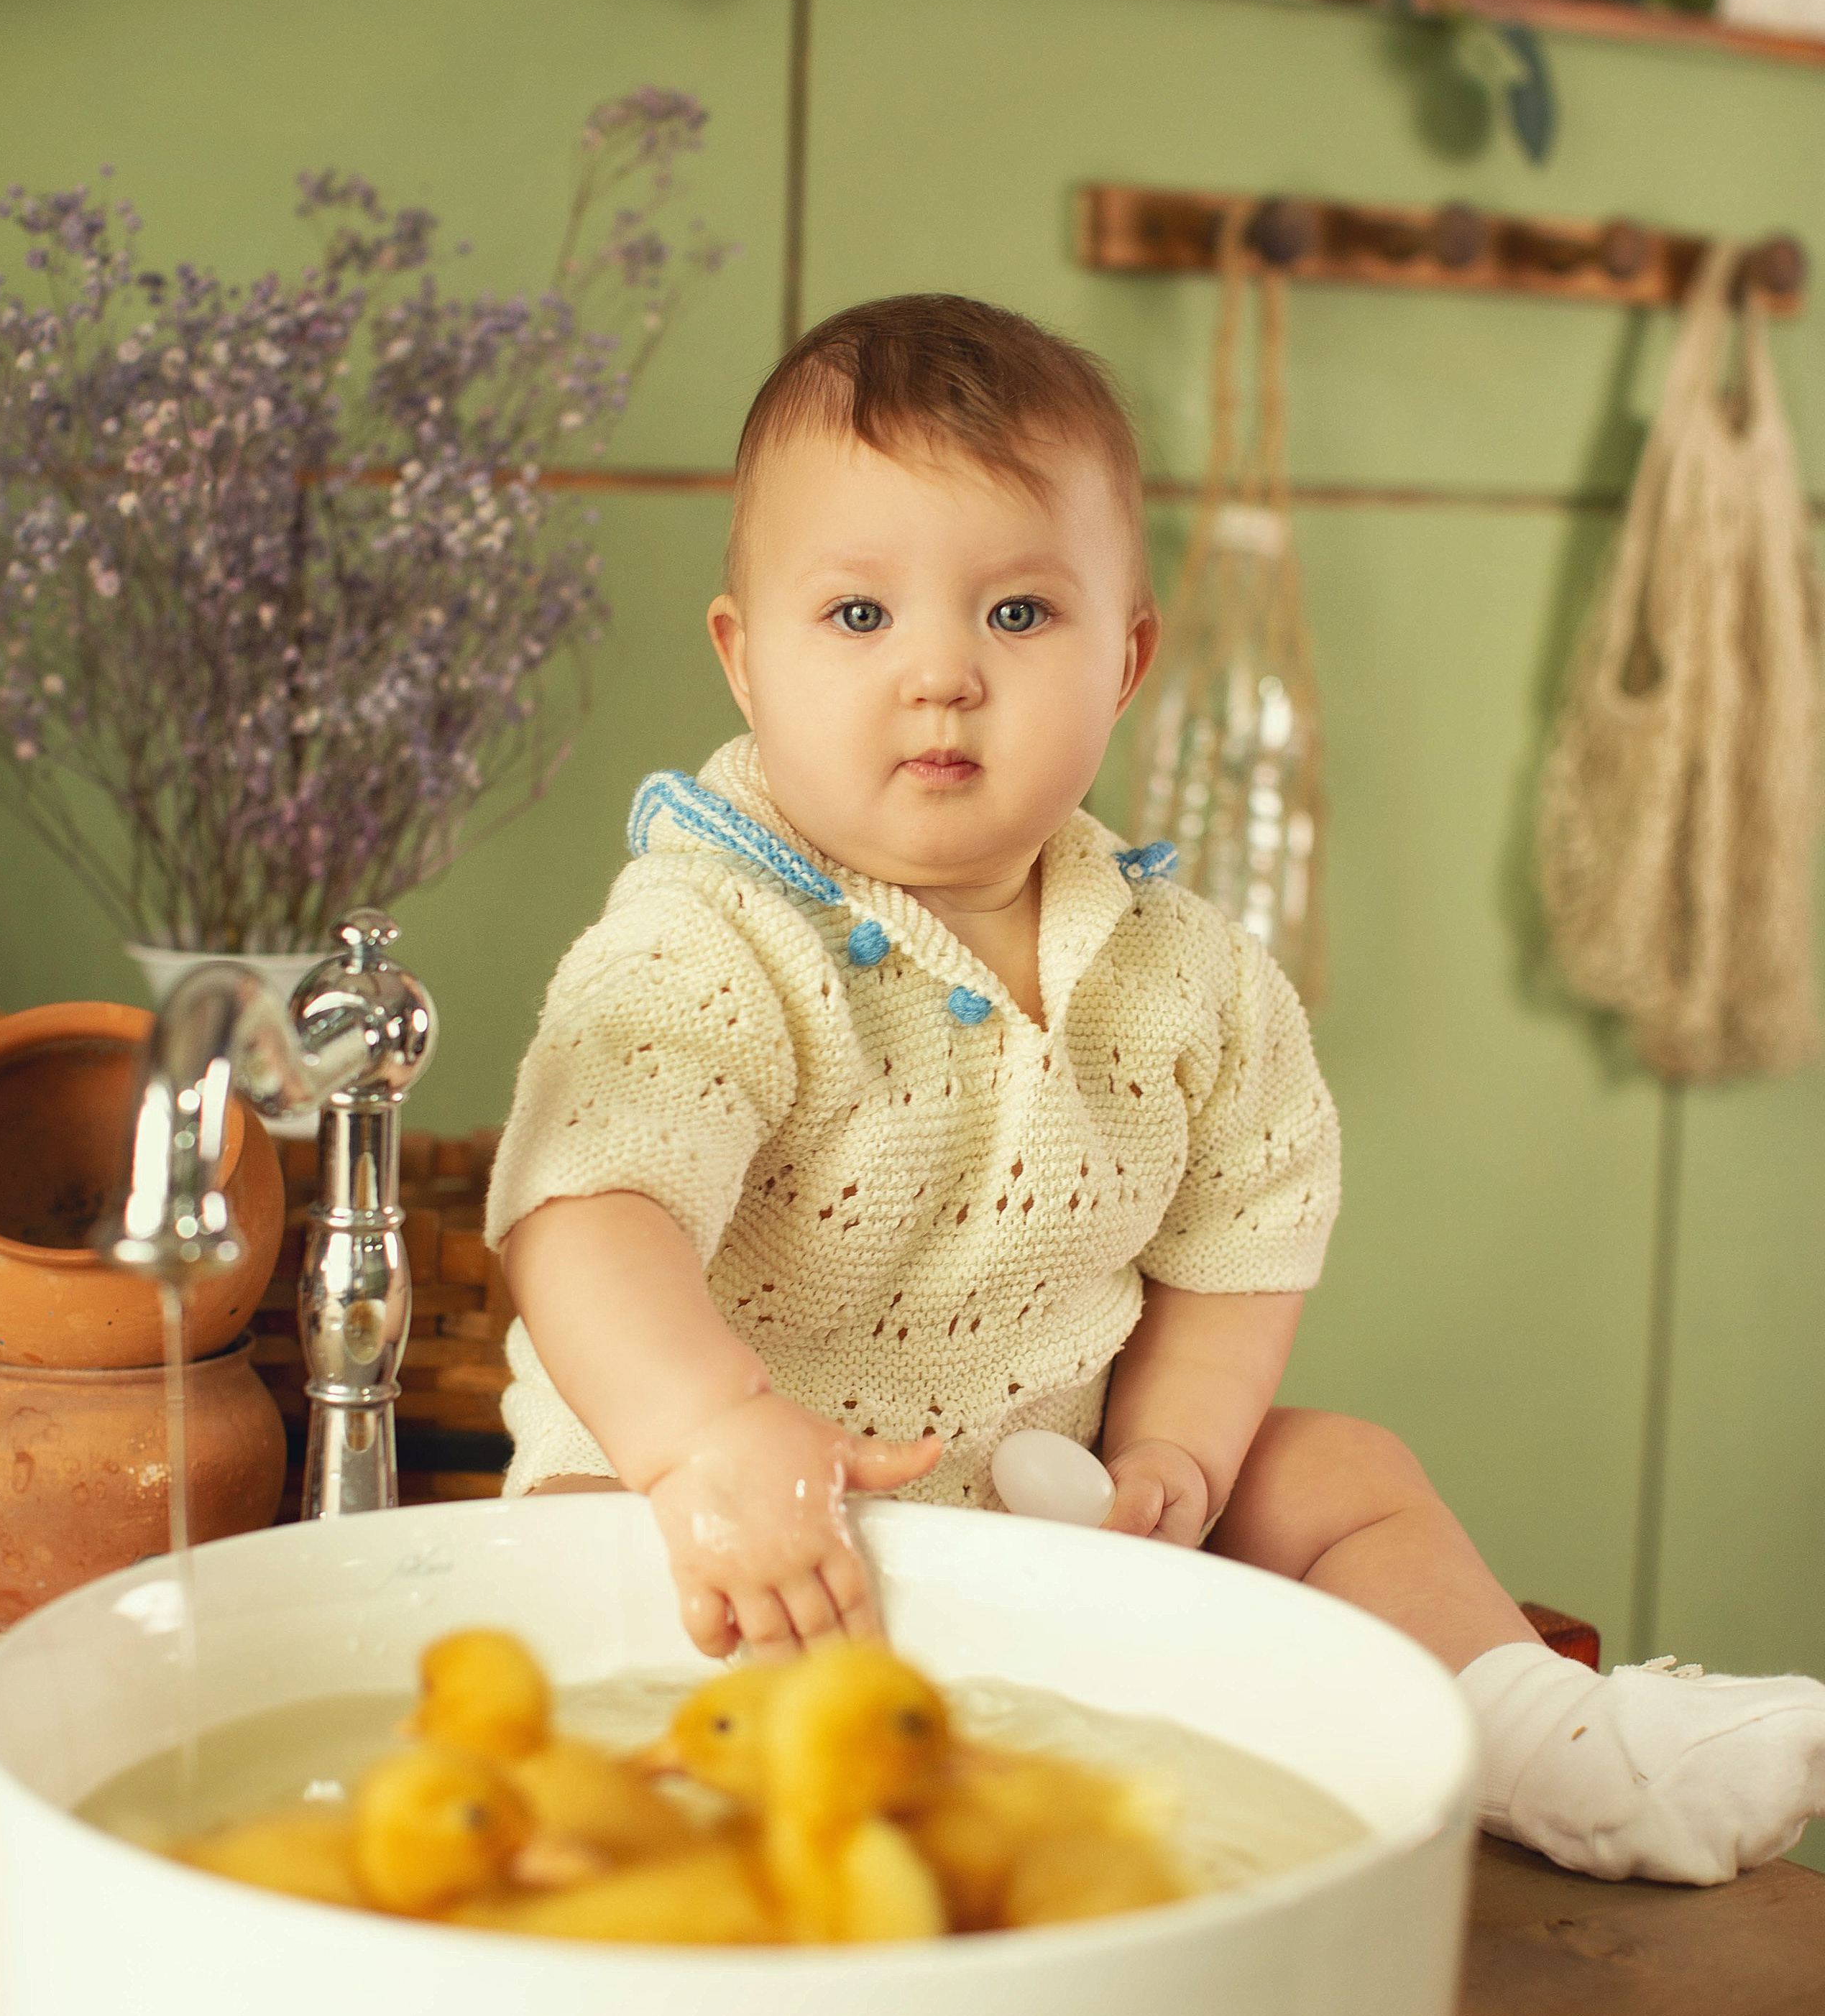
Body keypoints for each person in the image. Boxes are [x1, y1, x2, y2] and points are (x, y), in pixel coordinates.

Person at [487, 294, 1825, 1889]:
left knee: (1342, 1473)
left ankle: (1552, 1747)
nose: (941, 678)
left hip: (1044, 1515)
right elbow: (586, 1203)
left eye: (1017, 616)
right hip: (747, 1523)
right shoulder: (713, 938)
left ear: (1124, 660)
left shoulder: (1178, 968)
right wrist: (703, 1439)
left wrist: (1176, 1459)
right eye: (857, 618)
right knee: (576, 1551)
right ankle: (669, 1840)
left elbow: (1245, 1229)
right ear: (744, 656)